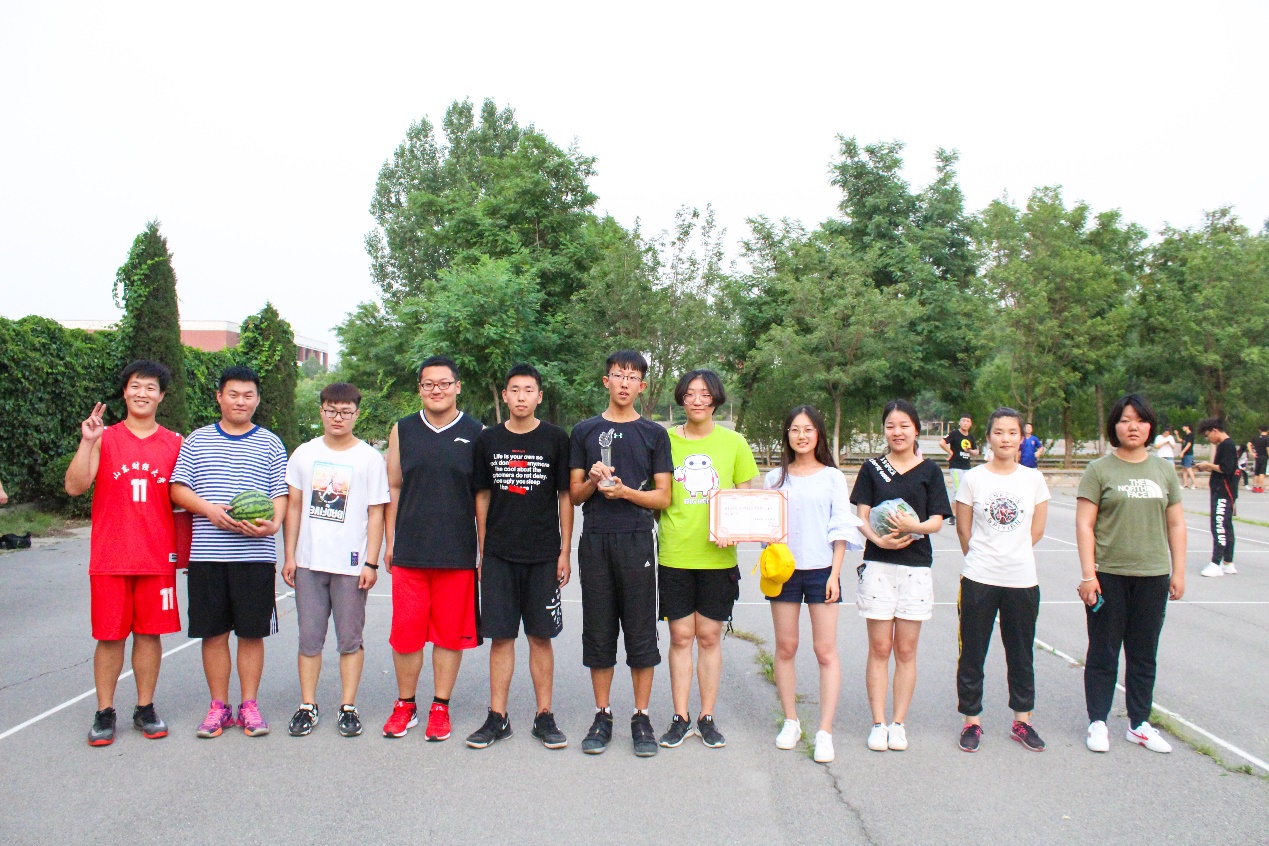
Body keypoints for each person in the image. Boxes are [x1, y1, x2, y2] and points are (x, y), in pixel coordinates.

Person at [64, 360, 184, 746]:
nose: (142, 393)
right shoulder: (104, 437)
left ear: (161, 396)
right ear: (124, 392)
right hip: (111, 556)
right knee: (110, 636)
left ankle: (144, 707)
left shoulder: (175, 443)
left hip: (157, 556)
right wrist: (87, 441)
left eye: (150, 387)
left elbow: (185, 500)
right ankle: (105, 711)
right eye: (135, 386)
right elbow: (74, 486)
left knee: (149, 634)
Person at [170, 365, 288, 738]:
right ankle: (218, 707)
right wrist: (209, 510)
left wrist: (273, 524)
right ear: (219, 397)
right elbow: (178, 488)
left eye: (248, 395)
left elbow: (279, 493)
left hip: (255, 556)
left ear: (257, 400)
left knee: (251, 634)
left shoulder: (271, 443)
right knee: (214, 633)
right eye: (233, 394)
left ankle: (249, 706)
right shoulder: (197, 440)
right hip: (208, 555)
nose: (240, 401)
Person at [569, 351, 672, 757]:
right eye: (618, 375)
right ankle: (603, 713)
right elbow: (575, 496)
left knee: (641, 628)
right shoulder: (585, 431)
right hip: (595, 539)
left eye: (632, 377)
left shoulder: (654, 434)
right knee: (598, 628)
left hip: (636, 539)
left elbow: (663, 497)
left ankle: (641, 716)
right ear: (606, 381)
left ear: (642, 386)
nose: (624, 383)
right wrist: (593, 480)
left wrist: (627, 492)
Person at [465, 364, 573, 750]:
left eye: (529, 390)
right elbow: (482, 495)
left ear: (539, 396)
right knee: (501, 637)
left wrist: (564, 551)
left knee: (540, 637)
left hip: (543, 554)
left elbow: (565, 496)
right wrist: (483, 550)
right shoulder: (488, 440)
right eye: (515, 389)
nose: (522, 396)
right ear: (505, 396)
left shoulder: (556, 439)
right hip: (499, 555)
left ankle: (545, 716)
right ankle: (498, 716)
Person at [381, 355, 484, 741]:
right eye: (428, 384)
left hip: (456, 552)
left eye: (443, 383)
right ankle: (405, 705)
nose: (436, 390)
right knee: (406, 634)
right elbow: (394, 486)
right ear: (420, 389)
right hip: (410, 551)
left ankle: (440, 707)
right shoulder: (402, 429)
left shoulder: (476, 432)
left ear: (457, 387)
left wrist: (483, 549)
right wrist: (390, 541)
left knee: (448, 635)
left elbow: (482, 496)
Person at [656, 369, 759, 751]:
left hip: (718, 559)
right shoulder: (664, 441)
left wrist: (738, 528)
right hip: (676, 554)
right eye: (690, 394)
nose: (697, 400)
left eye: (704, 394)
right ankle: (680, 717)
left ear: (716, 399)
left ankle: (707, 717)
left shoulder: (734, 443)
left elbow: (746, 501)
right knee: (681, 636)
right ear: (681, 399)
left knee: (710, 636)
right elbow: (657, 495)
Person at [1076, 394, 1185, 754]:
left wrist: (1178, 571)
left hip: (1153, 575)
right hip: (1109, 574)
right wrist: (1088, 575)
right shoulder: (1099, 470)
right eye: (1125, 420)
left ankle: (1139, 724)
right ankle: (1098, 721)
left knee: (1143, 653)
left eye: (1140, 420)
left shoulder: (1164, 470)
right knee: (1103, 651)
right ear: (1115, 426)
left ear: (1150, 426)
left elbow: (1176, 523)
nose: (1132, 426)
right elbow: (1084, 524)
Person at [281, 382, 388, 738]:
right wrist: (290, 555)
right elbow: (294, 506)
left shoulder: (369, 459)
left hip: (351, 566)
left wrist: (371, 562)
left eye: (345, 412)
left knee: (350, 639)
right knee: (309, 638)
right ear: (321, 411)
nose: (337, 418)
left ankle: (348, 707)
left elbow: (376, 513)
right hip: (309, 563)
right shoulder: (304, 454)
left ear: (357, 414)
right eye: (331, 411)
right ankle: (307, 705)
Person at [765, 405, 864, 764]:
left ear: (818, 434)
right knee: (786, 647)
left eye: (807, 429)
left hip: (822, 572)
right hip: (784, 572)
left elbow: (840, 526)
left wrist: (835, 574)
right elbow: (764, 526)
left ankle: (825, 731)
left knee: (825, 651)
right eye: (794, 429)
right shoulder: (774, 478)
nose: (801, 436)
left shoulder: (833, 477)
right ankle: (791, 721)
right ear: (787, 435)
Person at [852, 400, 952, 752]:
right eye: (891, 426)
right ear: (884, 430)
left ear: (916, 430)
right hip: (878, 566)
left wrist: (914, 526)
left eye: (904, 426)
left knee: (906, 650)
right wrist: (878, 539)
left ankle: (898, 724)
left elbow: (937, 521)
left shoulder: (930, 471)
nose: (897, 432)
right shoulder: (872, 469)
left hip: (916, 568)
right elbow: (861, 516)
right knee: (880, 648)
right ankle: (878, 723)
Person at [953, 408, 1050, 753]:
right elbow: (963, 528)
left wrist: (1013, 553)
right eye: (998, 432)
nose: (1005, 439)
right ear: (988, 438)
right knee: (972, 653)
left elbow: (1037, 529)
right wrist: (983, 556)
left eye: (1012, 432)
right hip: (979, 578)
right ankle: (971, 720)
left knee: (1021, 653)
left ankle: (1022, 720)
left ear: (1022, 438)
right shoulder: (973, 478)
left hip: (1021, 579)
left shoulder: (1033, 479)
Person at [1196, 418, 1238, 577]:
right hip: (1223, 491)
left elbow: (1226, 469)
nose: (1208, 439)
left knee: (1219, 525)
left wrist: (1209, 465)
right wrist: (1210, 468)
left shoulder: (1227, 445)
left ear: (1215, 430)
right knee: (1226, 525)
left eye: (1207, 436)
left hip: (1223, 493)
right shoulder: (1225, 446)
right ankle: (1228, 562)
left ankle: (1216, 563)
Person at [940, 415, 978, 525]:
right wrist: (950, 452)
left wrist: (970, 451)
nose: (965, 423)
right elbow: (942, 442)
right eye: (963, 421)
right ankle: (953, 515)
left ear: (970, 424)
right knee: (958, 489)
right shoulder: (954, 434)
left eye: (968, 421)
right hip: (956, 466)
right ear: (959, 422)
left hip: (967, 467)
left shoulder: (970, 437)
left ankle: (964, 514)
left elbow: (976, 451)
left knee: (967, 490)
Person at [1178, 424, 1197, 489]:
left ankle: (1195, 484)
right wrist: (1177, 434)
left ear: (1187, 427)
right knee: (1184, 469)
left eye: (1184, 426)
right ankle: (1185, 484)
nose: (1183, 428)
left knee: (1189, 468)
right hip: (1184, 454)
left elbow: (1189, 444)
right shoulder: (1185, 435)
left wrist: (1182, 452)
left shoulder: (1190, 435)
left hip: (1188, 454)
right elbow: (1181, 440)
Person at [1252, 426, 1269, 493]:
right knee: (1262, 472)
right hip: (1264, 456)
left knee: (1257, 472)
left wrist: (1252, 453)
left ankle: (1255, 486)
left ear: (1260, 430)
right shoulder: (1267, 438)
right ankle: (1260, 487)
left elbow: (1248, 444)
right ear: (1267, 431)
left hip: (1257, 456)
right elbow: (1268, 448)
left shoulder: (1255, 437)